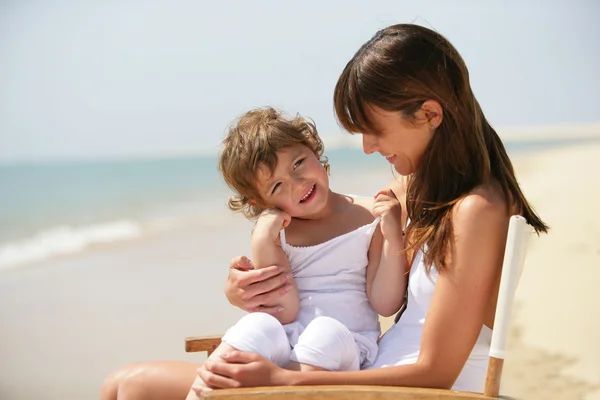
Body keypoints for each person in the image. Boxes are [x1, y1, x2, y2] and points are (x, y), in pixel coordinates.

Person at [101, 23, 548, 399]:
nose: (368, 148)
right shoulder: (425, 189)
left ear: (430, 113)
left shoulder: (476, 209)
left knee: (135, 388)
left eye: (374, 131)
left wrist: (287, 378)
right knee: (124, 384)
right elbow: (337, 225)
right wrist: (244, 286)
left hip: (397, 391)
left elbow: (436, 372)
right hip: (361, 375)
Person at [185, 107, 406, 398]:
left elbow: (385, 303)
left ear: (313, 148)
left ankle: (281, 389)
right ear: (260, 202)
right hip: (290, 342)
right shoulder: (278, 233)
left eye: (298, 163)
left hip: (347, 346)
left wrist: (393, 237)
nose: (297, 183)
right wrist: (263, 241)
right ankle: (202, 394)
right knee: (256, 324)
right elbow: (284, 311)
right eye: (277, 186)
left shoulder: (368, 215)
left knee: (324, 330)